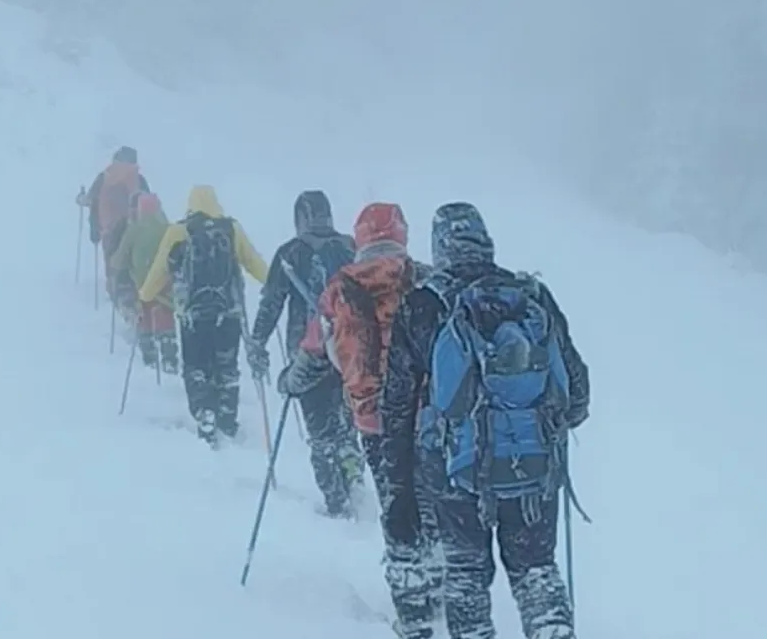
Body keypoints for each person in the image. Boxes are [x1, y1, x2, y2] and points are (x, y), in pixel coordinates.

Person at [381, 202, 591, 639]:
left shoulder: (421, 305)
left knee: (466, 574)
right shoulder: (531, 296)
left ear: (440, 247)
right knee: (535, 569)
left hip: (455, 471)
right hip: (532, 467)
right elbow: (577, 391)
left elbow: (398, 408)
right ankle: (551, 629)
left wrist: (399, 487)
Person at [277, 202, 441, 638]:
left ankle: (414, 614)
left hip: (374, 421)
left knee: (397, 508)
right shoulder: (425, 279)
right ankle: (440, 588)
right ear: (402, 234)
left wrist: (290, 381)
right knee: (433, 502)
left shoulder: (341, 288)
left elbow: (315, 351)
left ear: (361, 237)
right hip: (428, 416)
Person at [248, 190, 363, 518]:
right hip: (348, 348)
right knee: (347, 421)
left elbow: (271, 303)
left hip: (306, 352)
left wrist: (258, 343)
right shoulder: (350, 248)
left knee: (319, 430)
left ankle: (336, 502)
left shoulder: (290, 253)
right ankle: (353, 470)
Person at [138, 185, 268, 446]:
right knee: (227, 365)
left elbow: (160, 270)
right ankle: (228, 415)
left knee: (196, 366)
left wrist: (145, 295)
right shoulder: (231, 229)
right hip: (228, 313)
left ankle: (204, 411)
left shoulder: (178, 230)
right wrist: (273, 283)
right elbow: (255, 263)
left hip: (193, 316)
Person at [109, 192, 177, 372]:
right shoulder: (169, 229)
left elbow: (120, 259)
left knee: (144, 317)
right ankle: (170, 355)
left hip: (141, 284)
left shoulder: (134, 229)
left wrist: (115, 266)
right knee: (166, 318)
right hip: (166, 284)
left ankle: (149, 356)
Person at [76, 146, 150, 289]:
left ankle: (114, 287)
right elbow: (148, 202)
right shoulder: (138, 179)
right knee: (130, 256)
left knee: (111, 257)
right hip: (132, 226)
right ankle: (132, 287)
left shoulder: (105, 177)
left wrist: (80, 199)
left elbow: (90, 199)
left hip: (108, 225)